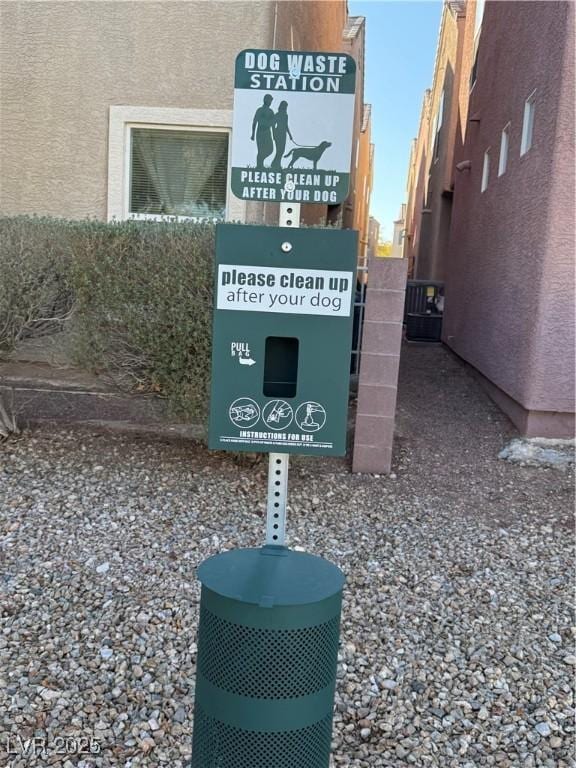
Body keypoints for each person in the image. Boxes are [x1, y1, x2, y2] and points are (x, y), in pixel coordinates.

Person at [251, 94, 275, 168]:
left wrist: (274, 135)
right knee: (261, 150)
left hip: (267, 133)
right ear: (266, 100)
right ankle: (259, 165)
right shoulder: (260, 110)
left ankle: (260, 162)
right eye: (270, 100)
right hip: (260, 133)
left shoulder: (271, 111)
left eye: (271, 101)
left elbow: (273, 124)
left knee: (270, 149)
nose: (270, 102)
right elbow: (255, 122)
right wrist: (253, 134)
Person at [271, 100, 293, 170]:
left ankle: (276, 164)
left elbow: (286, 125)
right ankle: (275, 164)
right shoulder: (277, 114)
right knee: (279, 150)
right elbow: (273, 125)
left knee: (282, 150)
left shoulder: (286, 115)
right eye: (285, 106)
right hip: (278, 133)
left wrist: (290, 135)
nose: (286, 108)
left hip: (283, 134)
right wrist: (274, 134)